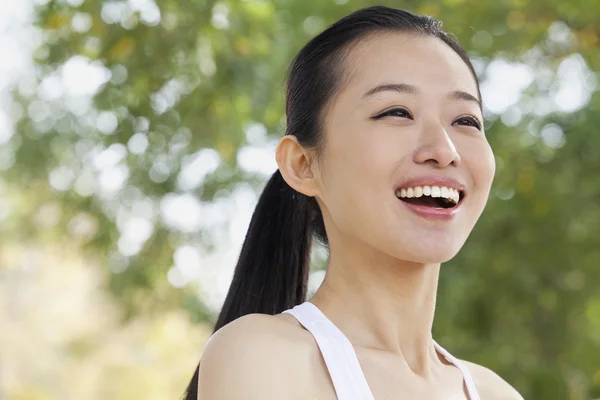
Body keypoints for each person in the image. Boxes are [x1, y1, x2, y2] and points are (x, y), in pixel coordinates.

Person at [184, 6, 524, 400]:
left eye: (466, 120)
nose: (444, 150)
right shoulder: (264, 357)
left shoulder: (495, 393)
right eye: (396, 112)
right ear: (303, 165)